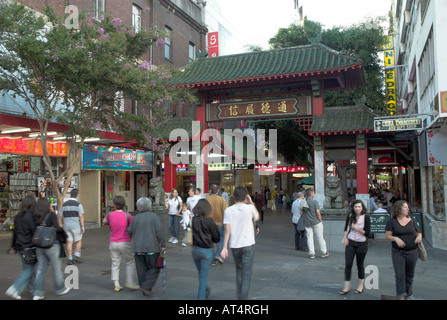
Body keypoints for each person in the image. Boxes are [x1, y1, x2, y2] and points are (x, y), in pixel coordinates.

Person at [221, 186, 259, 300]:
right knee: (246, 273)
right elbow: (257, 216)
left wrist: (224, 247)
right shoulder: (249, 208)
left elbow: (227, 231)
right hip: (248, 244)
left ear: (233, 196)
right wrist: (251, 202)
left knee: (239, 270)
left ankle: (240, 296)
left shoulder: (228, 210)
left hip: (234, 245)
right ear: (245, 196)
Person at [33, 198, 71, 300]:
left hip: (39, 246)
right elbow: (57, 228)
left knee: (41, 269)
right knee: (56, 268)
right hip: (52, 245)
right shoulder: (51, 215)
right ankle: (60, 289)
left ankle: (38, 293)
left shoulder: (36, 216)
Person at [127, 197, 166, 296]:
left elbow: (129, 231)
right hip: (151, 248)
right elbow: (159, 232)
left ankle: (145, 287)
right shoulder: (154, 217)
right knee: (154, 268)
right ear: (149, 206)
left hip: (138, 249)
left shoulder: (136, 217)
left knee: (141, 270)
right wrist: (163, 244)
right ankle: (146, 286)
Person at [385, 200, 422, 300]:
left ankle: (408, 294)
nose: (407, 209)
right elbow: (388, 236)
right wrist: (396, 238)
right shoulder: (392, 221)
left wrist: (419, 237)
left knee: (410, 275)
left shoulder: (412, 220)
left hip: (412, 252)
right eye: (405, 207)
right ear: (399, 209)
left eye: (407, 207)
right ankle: (401, 296)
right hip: (398, 252)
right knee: (399, 275)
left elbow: (419, 232)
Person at [103, 195, 139, 292]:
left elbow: (104, 223)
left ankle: (116, 284)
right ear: (124, 205)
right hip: (125, 242)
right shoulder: (128, 216)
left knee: (115, 263)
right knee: (130, 261)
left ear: (114, 204)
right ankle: (130, 281)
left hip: (113, 242)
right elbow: (132, 228)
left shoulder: (109, 215)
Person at [5, 196, 37, 300]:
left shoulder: (18, 216)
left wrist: (12, 246)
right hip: (29, 246)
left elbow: (15, 233)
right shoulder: (31, 216)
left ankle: (32, 288)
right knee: (29, 270)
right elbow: (34, 232)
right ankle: (15, 288)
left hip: (19, 246)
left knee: (27, 268)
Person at [339, 200, 371, 295]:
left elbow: (368, 233)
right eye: (356, 207)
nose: (357, 209)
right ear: (353, 207)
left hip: (362, 244)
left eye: (359, 207)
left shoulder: (366, 217)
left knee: (360, 264)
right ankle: (346, 286)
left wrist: (357, 228)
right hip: (351, 243)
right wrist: (345, 238)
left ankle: (360, 286)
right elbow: (345, 229)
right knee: (348, 264)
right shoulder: (350, 216)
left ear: (362, 208)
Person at [191, 199, 220, 300]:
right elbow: (216, 237)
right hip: (207, 250)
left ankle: (206, 291)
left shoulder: (194, 220)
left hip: (196, 250)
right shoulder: (209, 221)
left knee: (201, 274)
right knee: (203, 276)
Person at [300, 189, 329, 259]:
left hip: (307, 223)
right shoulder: (314, 202)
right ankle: (323, 252)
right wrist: (320, 220)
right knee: (320, 237)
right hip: (316, 222)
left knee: (309, 238)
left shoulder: (303, 201)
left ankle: (311, 253)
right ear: (312, 194)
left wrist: (306, 217)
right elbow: (318, 213)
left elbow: (301, 213)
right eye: (313, 193)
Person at [59, 188, 84, 265]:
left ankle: (70, 258)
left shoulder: (64, 204)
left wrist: (62, 223)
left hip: (66, 225)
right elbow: (81, 216)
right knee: (78, 240)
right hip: (76, 225)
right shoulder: (78, 205)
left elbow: (60, 215)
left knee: (69, 241)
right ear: (77, 195)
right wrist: (82, 226)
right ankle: (77, 255)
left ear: (70, 195)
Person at [207, 184, 228, 265]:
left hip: (209, 224)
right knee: (222, 239)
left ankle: (213, 260)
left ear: (210, 191)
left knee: (211, 241)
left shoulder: (206, 200)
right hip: (220, 223)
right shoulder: (222, 200)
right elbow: (226, 213)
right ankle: (218, 254)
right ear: (218, 191)